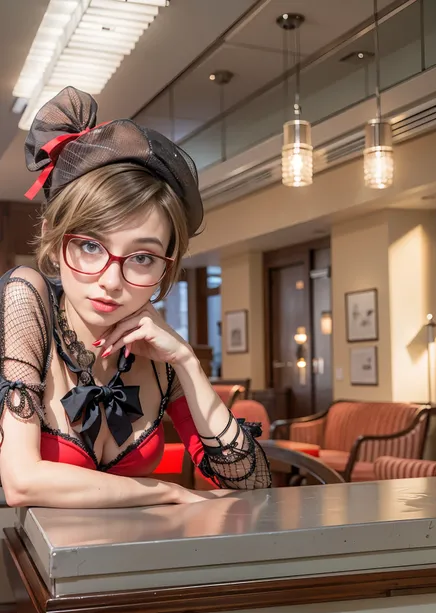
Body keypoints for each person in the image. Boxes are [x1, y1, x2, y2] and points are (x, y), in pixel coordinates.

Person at [0, 87, 271, 509]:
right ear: (55, 242)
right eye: (90, 246)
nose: (111, 280)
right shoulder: (27, 297)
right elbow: (22, 482)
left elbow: (250, 484)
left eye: (142, 257)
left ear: (167, 265)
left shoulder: (155, 346)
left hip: (125, 567)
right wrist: (164, 490)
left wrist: (186, 361)